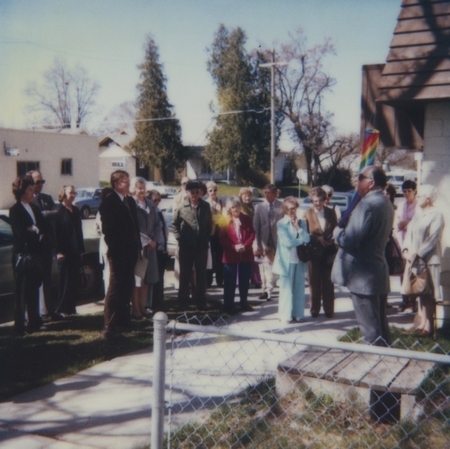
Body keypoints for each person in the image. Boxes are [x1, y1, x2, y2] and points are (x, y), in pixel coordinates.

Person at [332, 166, 394, 346]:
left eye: (360, 177)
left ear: (371, 183)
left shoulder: (367, 204)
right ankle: (388, 361)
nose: (356, 181)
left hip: (363, 276)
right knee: (381, 326)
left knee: (371, 332)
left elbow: (350, 240)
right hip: (377, 271)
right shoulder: (386, 202)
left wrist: (337, 232)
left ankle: (376, 367)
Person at [99, 170, 141, 338]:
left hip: (130, 251)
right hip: (117, 252)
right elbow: (108, 231)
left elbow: (135, 227)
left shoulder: (129, 201)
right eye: (125, 180)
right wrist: (117, 250)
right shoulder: (109, 202)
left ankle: (124, 319)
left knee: (126, 286)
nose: (128, 182)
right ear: (116, 184)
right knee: (115, 287)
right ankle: (109, 324)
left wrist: (137, 246)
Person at [401, 184, 444, 337]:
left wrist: (417, 254)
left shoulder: (436, 214)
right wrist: (406, 250)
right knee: (420, 291)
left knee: (429, 293)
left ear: (428, 198)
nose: (417, 198)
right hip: (414, 259)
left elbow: (433, 239)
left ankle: (429, 326)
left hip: (428, 259)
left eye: (420, 196)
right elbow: (409, 234)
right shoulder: (418, 213)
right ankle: (423, 323)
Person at [10, 176, 46, 335]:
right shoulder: (15, 210)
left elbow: (42, 228)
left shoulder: (35, 208)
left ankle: (35, 321)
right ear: (22, 191)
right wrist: (32, 231)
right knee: (21, 292)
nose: (33, 192)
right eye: (30, 190)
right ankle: (19, 326)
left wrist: (36, 231)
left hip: (35, 254)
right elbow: (19, 233)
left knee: (34, 289)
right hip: (23, 256)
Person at [173, 180, 212, 310]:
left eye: (197, 192)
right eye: (192, 192)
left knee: (201, 275)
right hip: (186, 247)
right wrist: (180, 239)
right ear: (187, 193)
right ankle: (183, 303)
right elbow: (175, 224)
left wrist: (205, 239)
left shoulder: (205, 206)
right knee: (185, 275)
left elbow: (208, 224)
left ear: (200, 192)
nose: (194, 195)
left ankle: (201, 302)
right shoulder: (181, 207)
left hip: (201, 246)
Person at [272, 197, 310, 323]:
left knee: (299, 289)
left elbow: (308, 239)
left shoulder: (302, 222)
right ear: (285, 210)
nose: (293, 211)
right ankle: (285, 315)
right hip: (286, 261)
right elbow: (288, 242)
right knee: (286, 289)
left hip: (299, 260)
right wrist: (301, 241)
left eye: (295, 208)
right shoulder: (281, 224)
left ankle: (298, 314)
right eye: (290, 209)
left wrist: (298, 227)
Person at [28, 169, 59, 320]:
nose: (40, 185)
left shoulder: (46, 198)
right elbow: (37, 218)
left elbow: (57, 213)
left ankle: (48, 310)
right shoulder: (27, 201)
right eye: (36, 182)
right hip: (35, 247)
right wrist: (47, 213)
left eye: (42, 181)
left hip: (47, 245)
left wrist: (46, 214)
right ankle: (36, 313)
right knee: (35, 281)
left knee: (47, 279)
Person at [304, 187, 338, 318]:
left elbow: (335, 228)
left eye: (319, 201)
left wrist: (332, 240)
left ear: (325, 200)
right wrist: (317, 239)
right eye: (314, 201)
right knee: (314, 281)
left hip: (329, 251)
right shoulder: (307, 213)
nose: (317, 204)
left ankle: (329, 310)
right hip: (314, 251)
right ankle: (314, 310)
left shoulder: (331, 212)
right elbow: (304, 233)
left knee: (328, 282)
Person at [130, 177, 162, 319]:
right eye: (139, 188)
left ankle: (143, 307)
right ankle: (135, 309)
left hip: (151, 248)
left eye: (143, 187)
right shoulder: (131, 204)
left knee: (148, 280)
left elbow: (157, 225)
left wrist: (155, 240)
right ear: (133, 189)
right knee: (138, 280)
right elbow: (133, 228)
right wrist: (147, 241)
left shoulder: (150, 204)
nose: (142, 190)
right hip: (139, 248)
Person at [219, 197, 255, 314]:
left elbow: (252, 234)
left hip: (245, 253)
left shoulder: (246, 219)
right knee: (230, 281)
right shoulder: (225, 220)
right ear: (229, 209)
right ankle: (229, 305)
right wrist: (234, 246)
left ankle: (244, 303)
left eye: (237, 206)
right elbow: (222, 238)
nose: (236, 209)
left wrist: (245, 245)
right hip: (230, 255)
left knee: (244, 280)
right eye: (233, 207)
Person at [53, 185, 85, 316]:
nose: (73, 195)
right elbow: (55, 233)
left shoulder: (76, 210)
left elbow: (79, 232)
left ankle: (71, 307)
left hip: (75, 250)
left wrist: (81, 250)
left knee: (73, 280)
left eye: (74, 193)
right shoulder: (58, 210)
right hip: (64, 250)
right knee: (65, 280)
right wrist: (58, 251)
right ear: (64, 194)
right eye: (71, 193)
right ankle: (62, 308)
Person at [253, 184, 283, 300]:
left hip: (277, 241)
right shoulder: (259, 207)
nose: (267, 195)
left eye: (269, 193)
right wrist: (257, 243)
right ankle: (265, 289)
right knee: (264, 267)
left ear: (275, 194)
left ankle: (272, 287)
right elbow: (256, 226)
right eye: (265, 193)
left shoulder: (281, 206)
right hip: (264, 240)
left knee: (275, 265)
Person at [397, 180, 418, 312]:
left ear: (415, 191)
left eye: (409, 191)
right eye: (404, 191)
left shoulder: (418, 206)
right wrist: (407, 222)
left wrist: (407, 223)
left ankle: (413, 301)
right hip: (401, 242)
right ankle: (404, 300)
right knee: (402, 272)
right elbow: (398, 224)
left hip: (413, 243)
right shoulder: (401, 205)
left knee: (414, 272)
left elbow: (416, 224)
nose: (406, 193)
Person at [147, 189, 168, 312]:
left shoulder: (159, 212)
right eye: (155, 200)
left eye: (159, 200)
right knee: (152, 279)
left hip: (161, 249)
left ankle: (159, 302)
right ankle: (150, 304)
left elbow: (164, 231)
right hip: (152, 249)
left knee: (160, 278)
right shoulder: (149, 212)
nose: (157, 202)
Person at [239, 187, 262, 288]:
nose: (247, 198)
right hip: (244, 235)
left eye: (249, 196)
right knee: (245, 259)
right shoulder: (240, 207)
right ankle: (244, 280)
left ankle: (256, 280)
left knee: (254, 259)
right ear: (241, 197)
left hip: (253, 234)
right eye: (245, 196)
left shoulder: (253, 207)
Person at [205, 181, 225, 288]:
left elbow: (225, 217)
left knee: (219, 257)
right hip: (210, 233)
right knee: (209, 257)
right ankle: (208, 281)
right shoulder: (205, 203)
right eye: (210, 190)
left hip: (220, 232)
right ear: (207, 192)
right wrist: (216, 218)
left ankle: (220, 280)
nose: (213, 192)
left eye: (215, 190)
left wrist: (217, 219)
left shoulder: (222, 202)